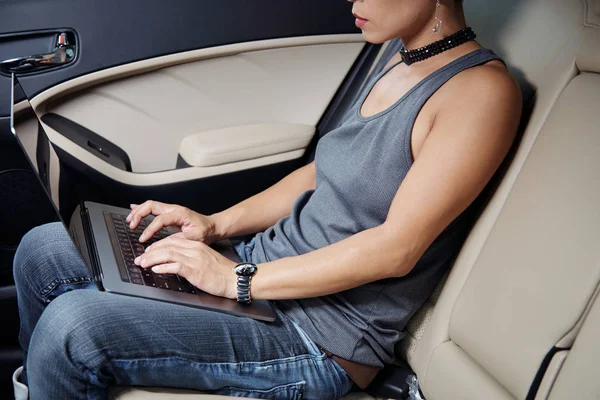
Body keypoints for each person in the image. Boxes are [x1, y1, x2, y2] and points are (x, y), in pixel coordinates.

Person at [12, 0, 522, 399]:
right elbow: (321, 172)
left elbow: (396, 248)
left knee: (72, 329)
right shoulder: (396, 55)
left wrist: (233, 279)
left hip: (319, 337)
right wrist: (214, 226)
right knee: (43, 250)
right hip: (261, 273)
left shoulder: (479, 94)